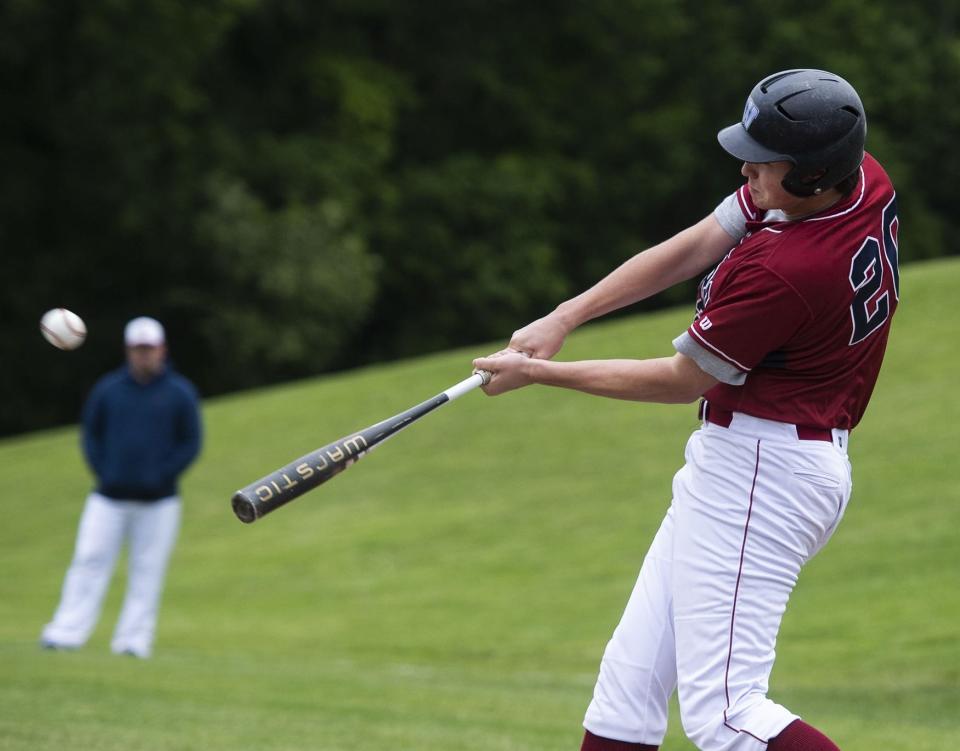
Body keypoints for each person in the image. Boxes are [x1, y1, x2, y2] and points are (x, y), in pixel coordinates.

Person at [473, 69, 899, 751]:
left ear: (814, 174)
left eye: (765, 159)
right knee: (628, 689)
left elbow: (680, 380)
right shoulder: (857, 179)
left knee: (727, 715)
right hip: (756, 459)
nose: (746, 167)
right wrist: (566, 314)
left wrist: (540, 374)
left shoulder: (789, 270)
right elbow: (703, 239)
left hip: (766, 470)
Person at [41, 316, 202, 659]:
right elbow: (91, 436)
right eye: (137, 349)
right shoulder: (108, 390)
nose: (144, 355)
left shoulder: (179, 393)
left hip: (160, 501)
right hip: (108, 498)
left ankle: (133, 640)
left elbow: (191, 442)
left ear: (162, 350)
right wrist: (105, 472)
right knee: (89, 560)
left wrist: (163, 475)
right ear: (128, 351)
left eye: (149, 348)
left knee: (147, 569)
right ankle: (66, 632)